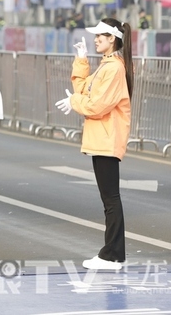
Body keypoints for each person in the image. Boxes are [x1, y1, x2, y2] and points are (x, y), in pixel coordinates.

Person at [55, 17, 133, 271]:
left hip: (107, 137)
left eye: (100, 35)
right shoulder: (106, 65)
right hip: (101, 137)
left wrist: (75, 102)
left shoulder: (113, 68)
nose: (95, 38)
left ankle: (112, 255)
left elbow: (96, 105)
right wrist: (81, 60)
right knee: (109, 198)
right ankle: (113, 254)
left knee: (111, 199)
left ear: (113, 39)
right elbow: (83, 90)